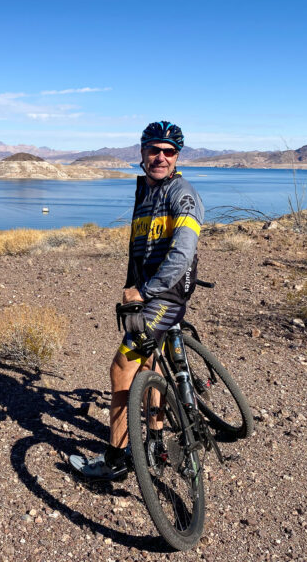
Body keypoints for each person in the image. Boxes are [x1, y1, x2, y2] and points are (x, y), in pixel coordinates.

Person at [69, 121, 205, 480]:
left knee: (121, 369)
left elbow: (183, 251)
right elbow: (139, 251)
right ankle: (156, 439)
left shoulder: (182, 194)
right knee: (149, 365)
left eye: (169, 151)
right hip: (150, 292)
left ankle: (115, 460)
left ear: (177, 157)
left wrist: (145, 292)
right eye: (153, 150)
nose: (160, 157)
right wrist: (132, 286)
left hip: (163, 295)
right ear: (142, 152)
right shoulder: (144, 191)